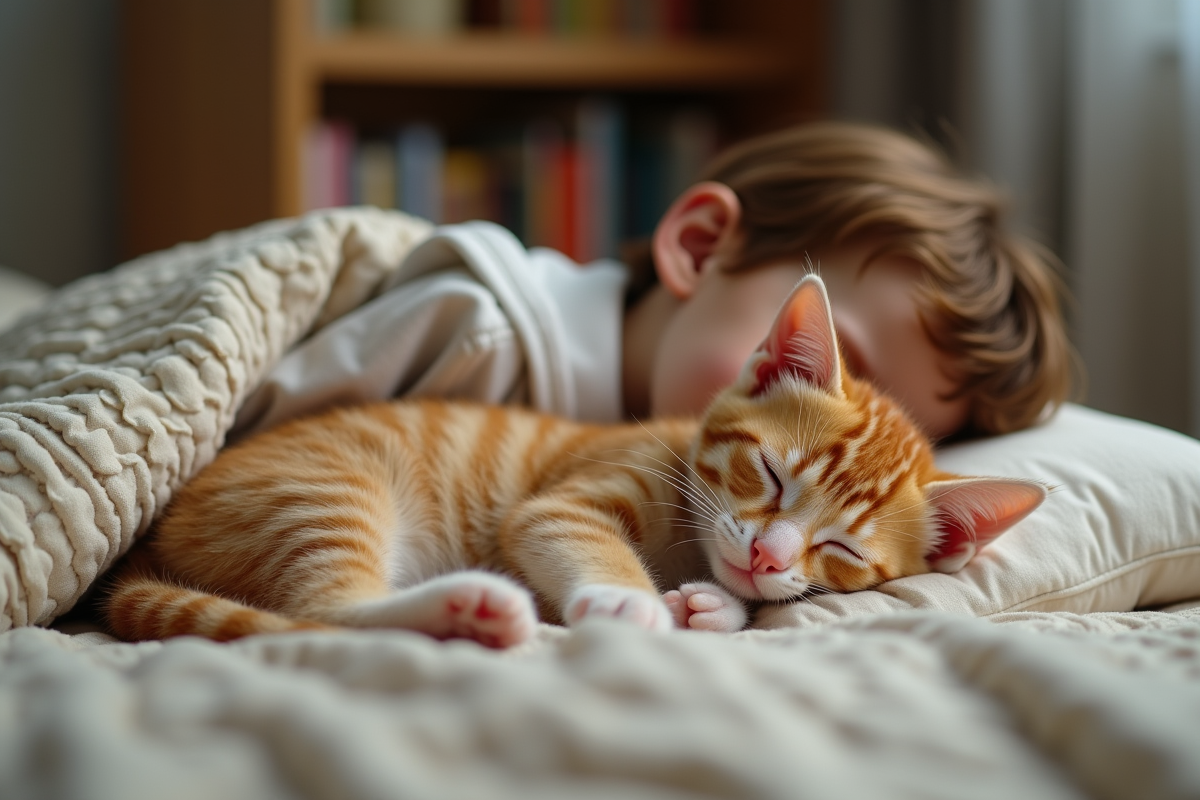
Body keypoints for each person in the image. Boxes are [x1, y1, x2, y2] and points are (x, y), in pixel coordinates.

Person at [232, 121, 1073, 443]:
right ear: (703, 248)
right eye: (827, 366)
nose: (816, 445)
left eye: (873, 433)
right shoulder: (476, 338)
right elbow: (225, 456)